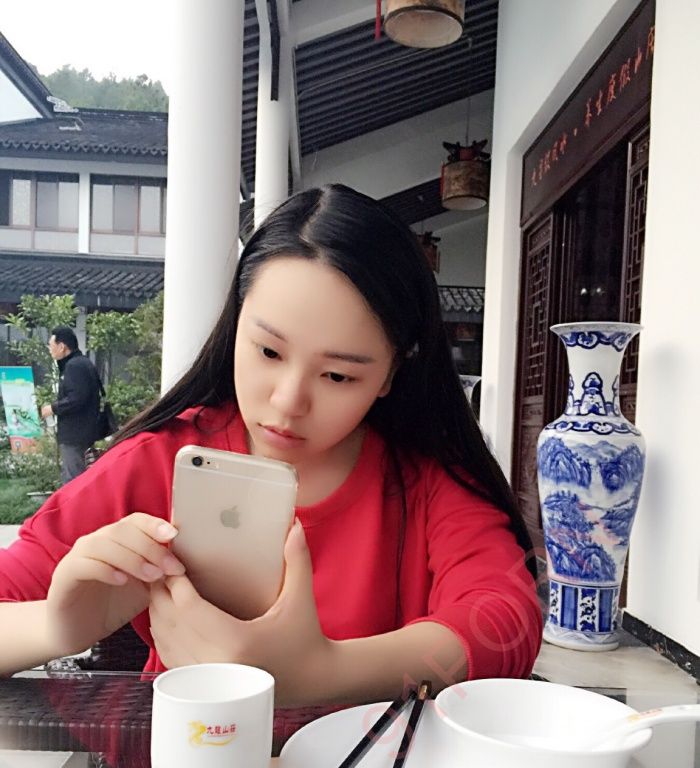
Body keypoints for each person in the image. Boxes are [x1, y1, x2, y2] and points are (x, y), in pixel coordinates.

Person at [0, 185, 542, 722]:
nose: (288, 402)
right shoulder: (156, 463)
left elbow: (505, 619)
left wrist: (320, 672)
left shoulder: (424, 482)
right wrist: (57, 627)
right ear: (236, 324)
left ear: (389, 375)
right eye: (267, 351)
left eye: (338, 375)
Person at [40, 325, 101, 484]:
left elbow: (77, 398)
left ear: (62, 347)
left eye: (51, 345)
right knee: (80, 479)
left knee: (73, 481)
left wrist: (52, 408)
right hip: (83, 432)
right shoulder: (83, 362)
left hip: (75, 435)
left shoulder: (74, 366)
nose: (49, 350)